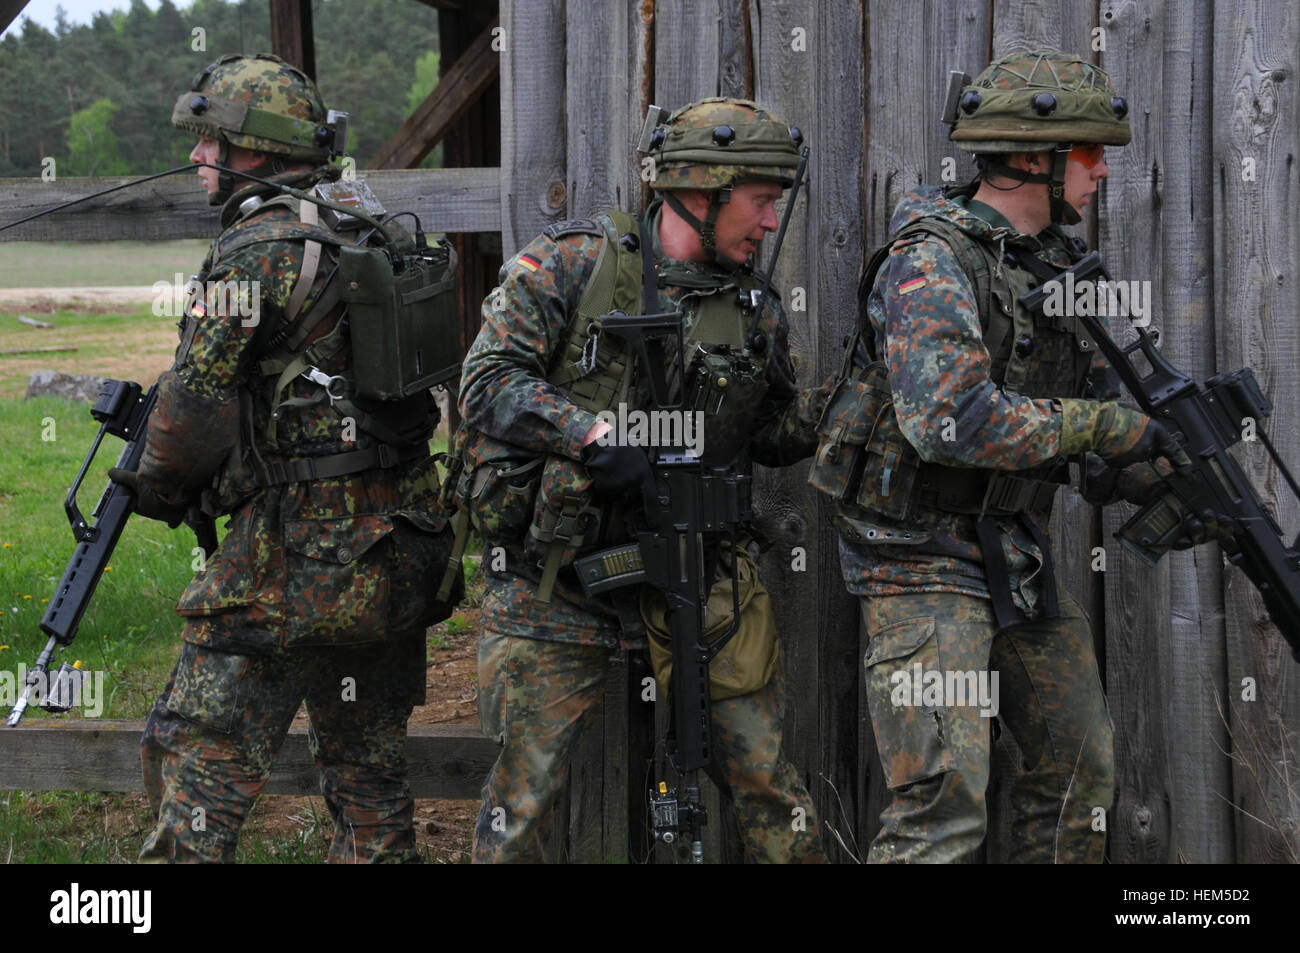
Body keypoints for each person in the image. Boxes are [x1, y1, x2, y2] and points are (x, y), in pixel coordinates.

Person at [825, 50, 1181, 863]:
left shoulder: (1052, 264)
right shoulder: (930, 260)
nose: (1100, 172)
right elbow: (949, 422)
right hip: (915, 559)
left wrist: (1155, 470)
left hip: (1010, 551)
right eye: (1089, 153)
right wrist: (1105, 430)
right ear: (1032, 158)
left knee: (1079, 776)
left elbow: (1067, 433)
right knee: (942, 809)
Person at [456, 98, 829, 863]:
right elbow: (485, 380)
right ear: (701, 191)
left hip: (700, 570)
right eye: (761, 202)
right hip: (558, 577)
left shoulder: (752, 304)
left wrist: (852, 401)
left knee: (768, 787)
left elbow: (770, 432)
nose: (768, 224)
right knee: (519, 806)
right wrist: (590, 433)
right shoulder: (571, 263)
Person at [123, 53, 457, 863]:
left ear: (254, 147)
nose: (198, 158)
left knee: (197, 761)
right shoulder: (365, 220)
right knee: (368, 774)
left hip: (292, 567)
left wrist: (153, 487)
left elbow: (191, 413)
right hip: (398, 553)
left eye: (209, 141)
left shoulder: (253, 251)